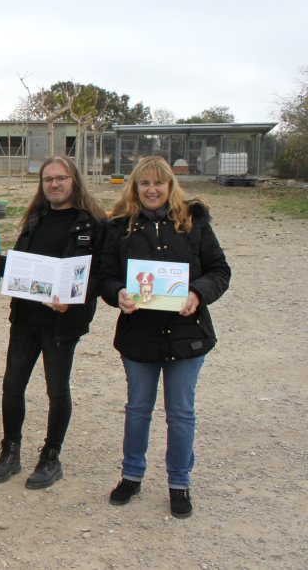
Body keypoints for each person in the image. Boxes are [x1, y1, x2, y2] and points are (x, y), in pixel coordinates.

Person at [97, 156, 230, 519]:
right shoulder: (120, 226)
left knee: (181, 413)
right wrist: (118, 294)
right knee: (138, 409)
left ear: (170, 185)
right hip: (139, 337)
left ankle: (179, 483)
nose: (151, 190)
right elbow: (105, 276)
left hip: (187, 336)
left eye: (158, 183)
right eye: (144, 184)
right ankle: (131, 475)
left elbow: (220, 269)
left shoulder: (193, 221)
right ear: (134, 188)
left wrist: (197, 293)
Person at [0, 156, 107, 489]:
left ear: (74, 181)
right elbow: (28, 270)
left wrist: (75, 300)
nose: (54, 184)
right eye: (48, 179)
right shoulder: (35, 218)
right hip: (25, 317)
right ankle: (11, 451)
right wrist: (1, 263)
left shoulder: (92, 223)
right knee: (11, 386)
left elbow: (101, 274)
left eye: (60, 178)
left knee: (56, 390)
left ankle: (51, 457)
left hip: (62, 322)